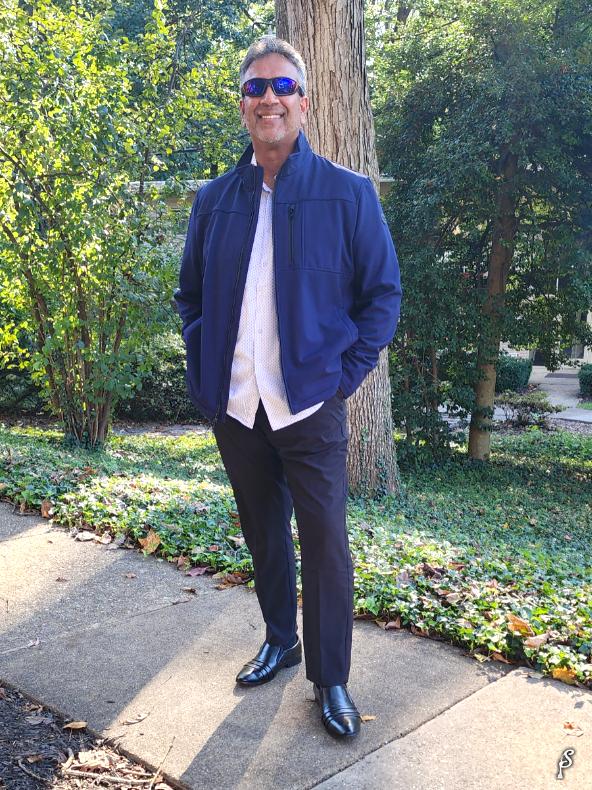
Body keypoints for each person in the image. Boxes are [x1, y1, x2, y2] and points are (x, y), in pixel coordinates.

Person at [175, 36, 401, 739]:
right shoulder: (214, 199)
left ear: (304, 101)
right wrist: (205, 363)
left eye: (281, 86)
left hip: (310, 403)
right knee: (264, 532)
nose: (268, 98)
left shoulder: (348, 193)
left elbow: (382, 296)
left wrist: (342, 377)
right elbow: (190, 296)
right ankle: (281, 639)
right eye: (255, 87)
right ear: (242, 104)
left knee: (325, 541)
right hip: (236, 405)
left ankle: (331, 677)